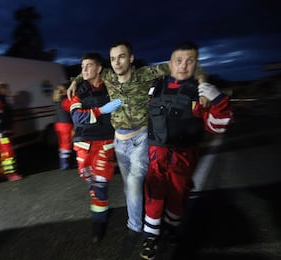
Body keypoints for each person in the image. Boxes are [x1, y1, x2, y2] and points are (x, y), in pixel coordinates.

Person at [67, 41, 208, 247]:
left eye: (122, 57)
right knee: (129, 186)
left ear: (131, 58)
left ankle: (135, 228)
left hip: (141, 139)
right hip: (119, 142)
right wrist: (74, 81)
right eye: (113, 58)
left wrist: (202, 87)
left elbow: (184, 66)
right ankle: (149, 212)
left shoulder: (144, 74)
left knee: (134, 184)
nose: (116, 62)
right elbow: (89, 70)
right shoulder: (107, 75)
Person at [139, 41, 233, 260]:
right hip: (156, 155)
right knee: (153, 196)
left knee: (177, 197)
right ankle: (151, 237)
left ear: (196, 64)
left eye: (190, 61)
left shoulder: (200, 93)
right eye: (178, 61)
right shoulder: (155, 86)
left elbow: (217, 126)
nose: (183, 66)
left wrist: (218, 100)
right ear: (170, 64)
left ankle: (171, 229)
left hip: (183, 157)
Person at [69, 52, 122, 242]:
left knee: (100, 184)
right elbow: (77, 117)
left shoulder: (111, 86)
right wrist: (101, 111)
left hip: (104, 143)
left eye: (88, 66)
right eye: (82, 66)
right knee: (88, 178)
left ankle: (98, 222)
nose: (83, 69)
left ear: (99, 69)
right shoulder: (80, 91)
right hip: (83, 143)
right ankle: (98, 200)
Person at [0, 82, 23, 181]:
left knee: (5, 153)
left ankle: (3, 172)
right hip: (2, 133)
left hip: (5, 132)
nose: (9, 91)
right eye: (6, 89)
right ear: (1, 90)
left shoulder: (2, 100)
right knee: (8, 153)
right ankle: (11, 174)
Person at [52, 82, 74, 170]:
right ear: (65, 91)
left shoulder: (56, 100)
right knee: (67, 144)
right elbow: (72, 109)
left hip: (58, 125)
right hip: (65, 125)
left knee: (62, 144)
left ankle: (63, 161)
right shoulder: (65, 100)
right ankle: (65, 163)